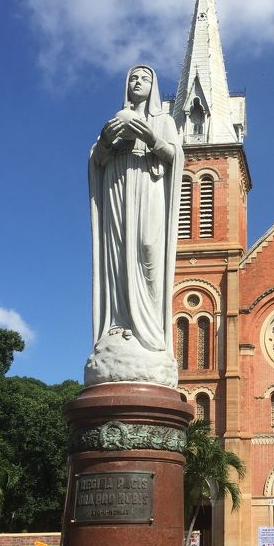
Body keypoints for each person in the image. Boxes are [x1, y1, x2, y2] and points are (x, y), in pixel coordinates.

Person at [85, 65, 184, 388]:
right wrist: (105, 138)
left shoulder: (163, 120)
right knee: (117, 255)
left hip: (149, 191)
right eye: (132, 78)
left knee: (147, 249)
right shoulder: (114, 120)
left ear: (153, 86)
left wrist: (148, 134)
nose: (137, 82)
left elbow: (174, 157)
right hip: (117, 192)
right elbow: (96, 159)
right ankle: (119, 323)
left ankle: (149, 330)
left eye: (144, 78)